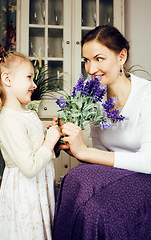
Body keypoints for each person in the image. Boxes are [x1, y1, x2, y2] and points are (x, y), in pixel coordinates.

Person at [52, 25, 151, 239]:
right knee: (75, 178)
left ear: (121, 56)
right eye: (86, 60)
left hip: (146, 178)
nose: (90, 69)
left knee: (96, 209)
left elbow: (148, 161)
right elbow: (99, 152)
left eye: (99, 59)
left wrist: (85, 152)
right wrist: (73, 148)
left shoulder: (147, 95)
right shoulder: (96, 100)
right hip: (119, 176)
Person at [0, 51, 61, 240]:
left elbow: (36, 149)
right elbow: (29, 167)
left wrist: (54, 144)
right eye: (29, 77)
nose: (34, 84)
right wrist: (49, 142)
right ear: (7, 79)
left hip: (37, 189)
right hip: (25, 193)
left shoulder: (26, 113)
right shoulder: (9, 120)